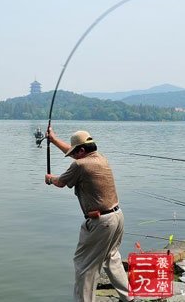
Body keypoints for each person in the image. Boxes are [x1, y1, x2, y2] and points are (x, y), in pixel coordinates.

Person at [44, 129, 133, 302]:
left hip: (101, 222)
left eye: (75, 152)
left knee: (85, 265)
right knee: (111, 258)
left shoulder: (80, 165)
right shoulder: (100, 158)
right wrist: (54, 140)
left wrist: (50, 178)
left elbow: (61, 182)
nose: (73, 156)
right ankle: (129, 297)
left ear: (82, 151)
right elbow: (76, 157)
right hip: (117, 216)